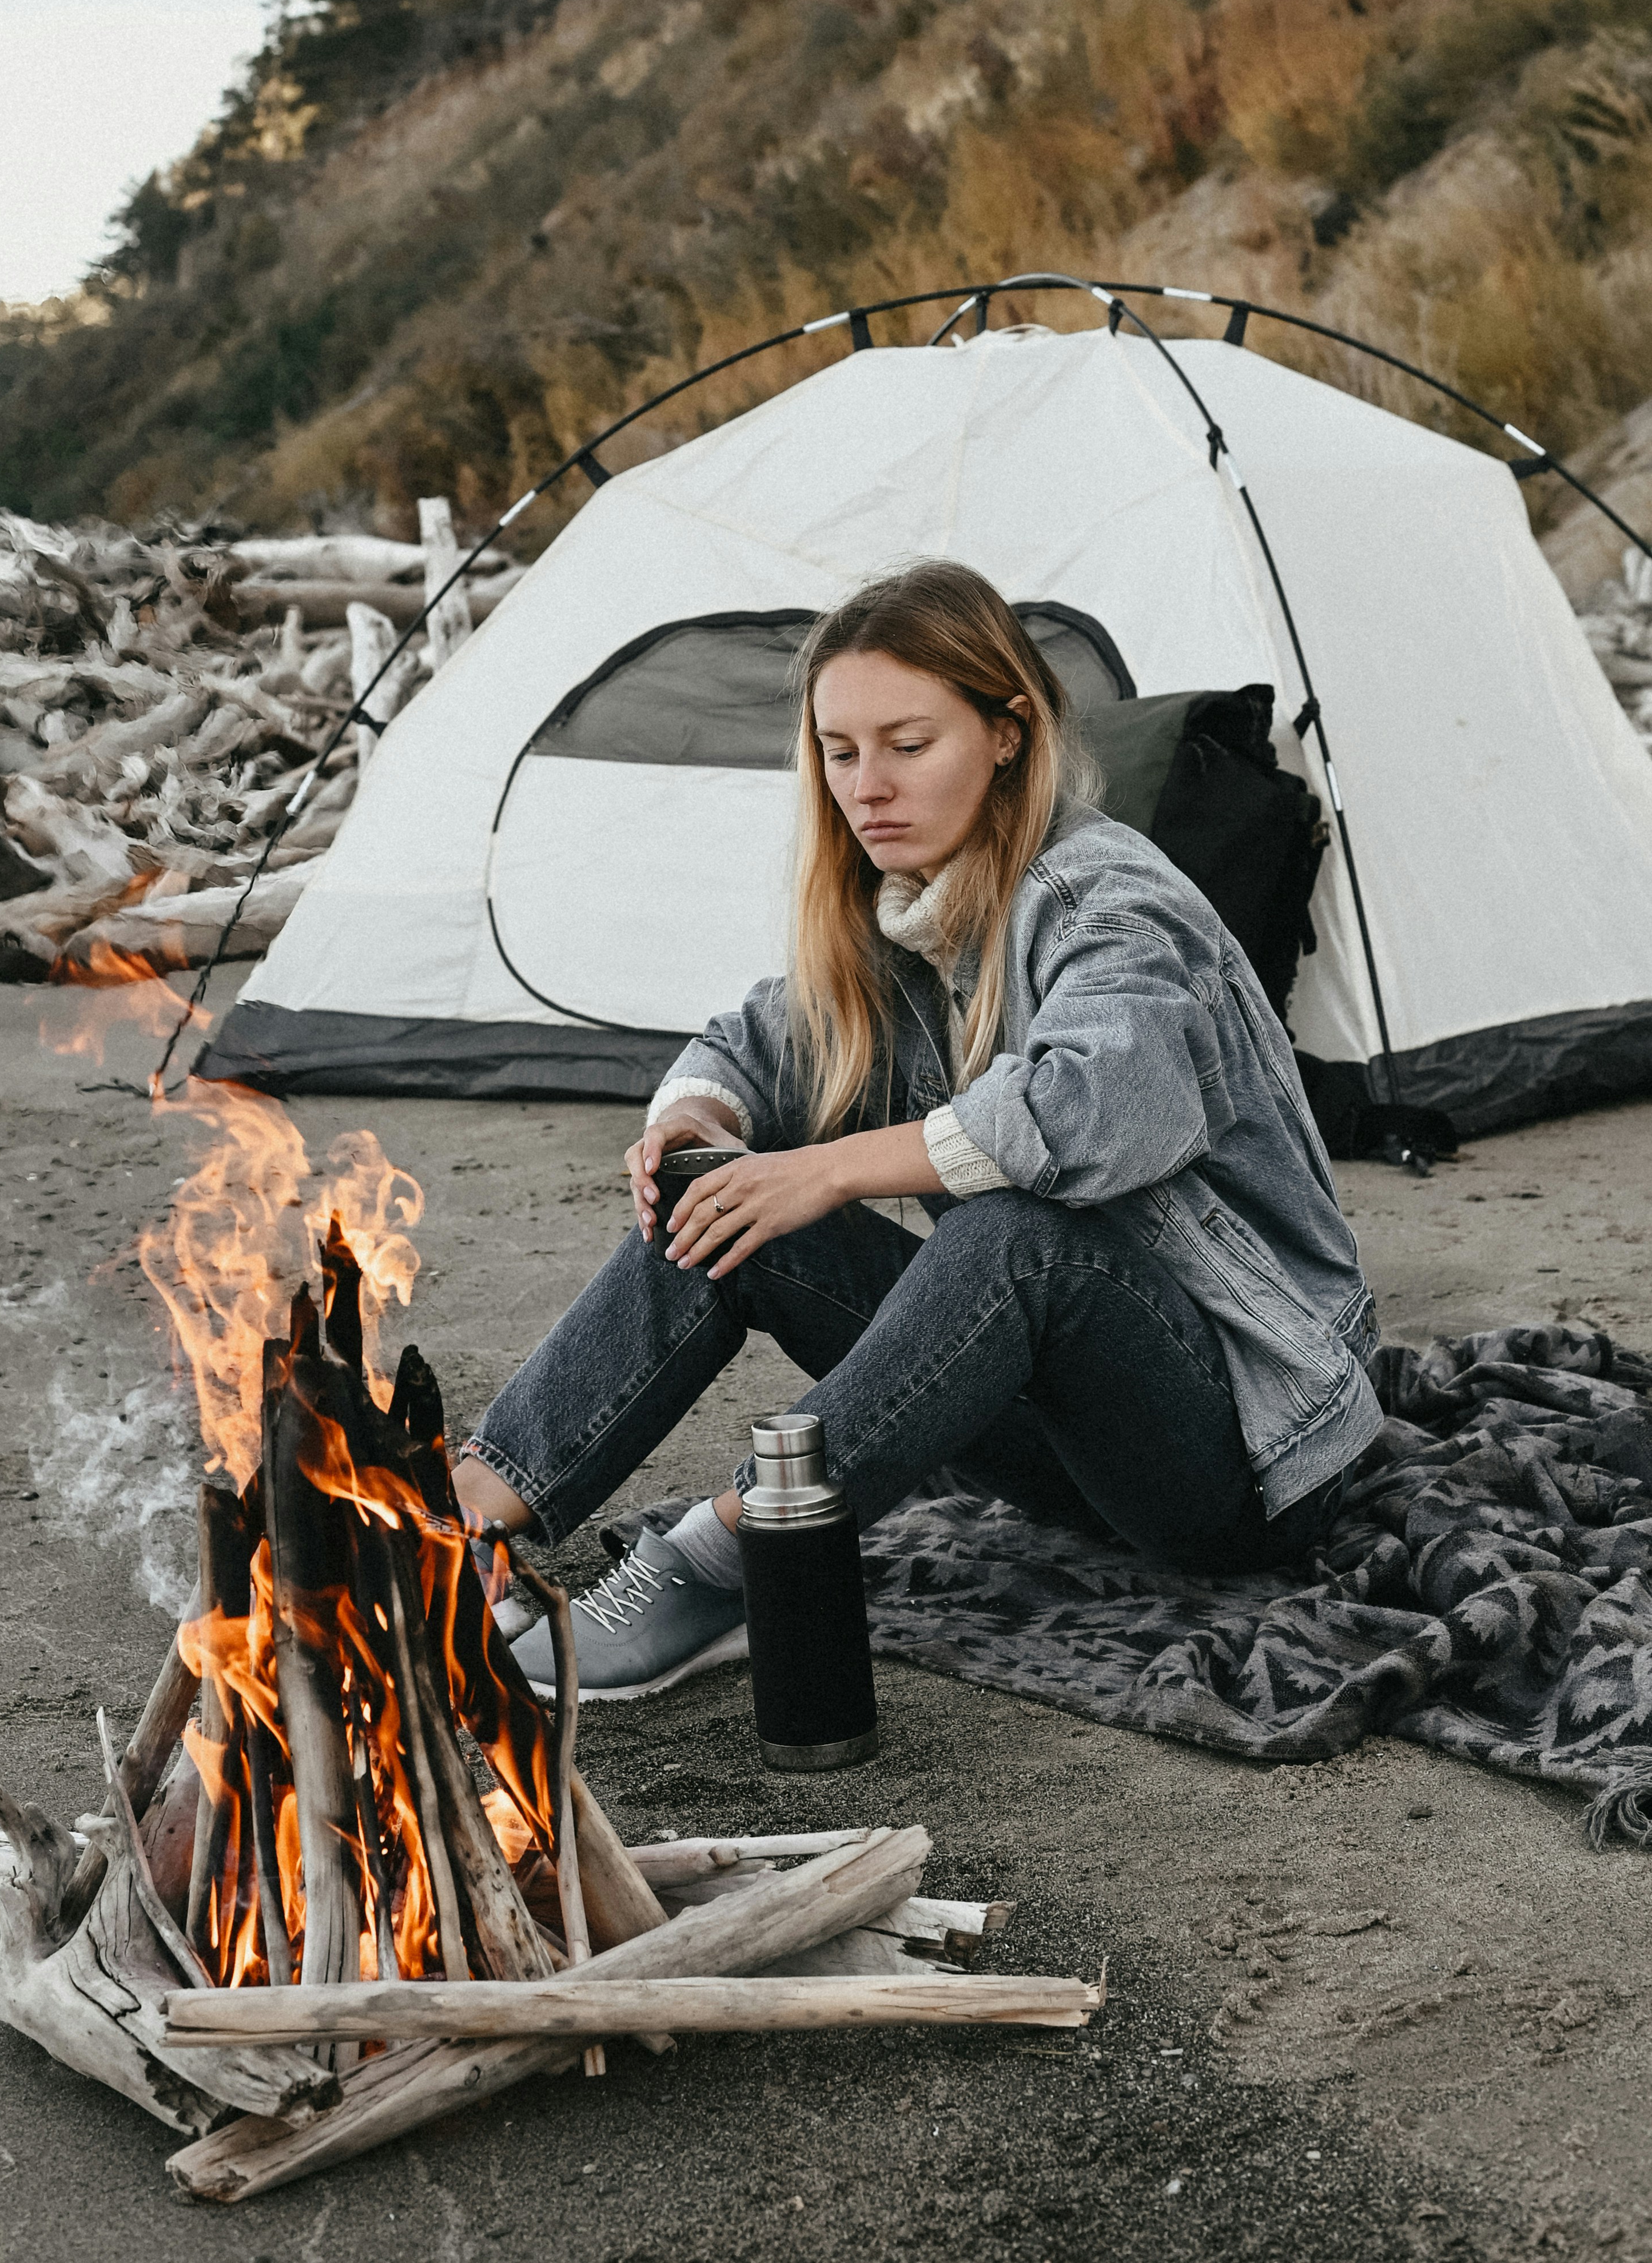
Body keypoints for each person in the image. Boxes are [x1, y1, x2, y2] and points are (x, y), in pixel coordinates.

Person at [452, 560, 1380, 1698]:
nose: (868, 786)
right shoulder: (907, 901)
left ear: (1007, 732)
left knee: (1015, 1238)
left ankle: (729, 1558)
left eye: (907, 743)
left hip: (1253, 1453)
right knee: (719, 1195)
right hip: (1062, 1447)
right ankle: (457, 1526)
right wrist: (693, 1127)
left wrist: (832, 1169)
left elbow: (1092, 1112)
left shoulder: (1111, 902)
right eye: (840, 752)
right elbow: (755, 1042)